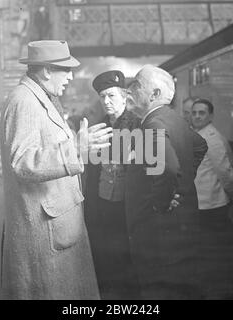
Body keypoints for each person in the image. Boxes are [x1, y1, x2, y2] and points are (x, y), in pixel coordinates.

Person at [0, 40, 113, 300]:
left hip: (55, 223)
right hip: (45, 231)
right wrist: (74, 147)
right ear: (47, 70)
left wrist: (78, 144)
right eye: (66, 70)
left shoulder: (40, 97)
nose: (71, 77)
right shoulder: (24, 101)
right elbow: (23, 162)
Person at [127, 65, 208, 299]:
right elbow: (200, 145)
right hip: (181, 228)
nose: (130, 90)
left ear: (154, 94)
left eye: (137, 86)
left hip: (158, 232)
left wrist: (161, 202)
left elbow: (169, 168)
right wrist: (182, 185)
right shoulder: (173, 119)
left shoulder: (152, 124)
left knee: (159, 292)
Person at [84, 70, 141, 299]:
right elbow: (94, 169)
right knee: (105, 257)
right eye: (102, 97)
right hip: (103, 202)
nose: (106, 102)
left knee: (127, 259)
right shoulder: (99, 128)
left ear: (124, 96)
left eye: (111, 96)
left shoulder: (137, 126)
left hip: (127, 205)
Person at [191, 98, 233, 297]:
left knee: (214, 250)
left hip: (213, 205)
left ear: (210, 116)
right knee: (207, 249)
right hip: (202, 204)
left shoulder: (211, 137)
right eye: (194, 112)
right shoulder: (198, 134)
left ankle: (218, 290)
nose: (197, 116)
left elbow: (225, 172)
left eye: (202, 113)